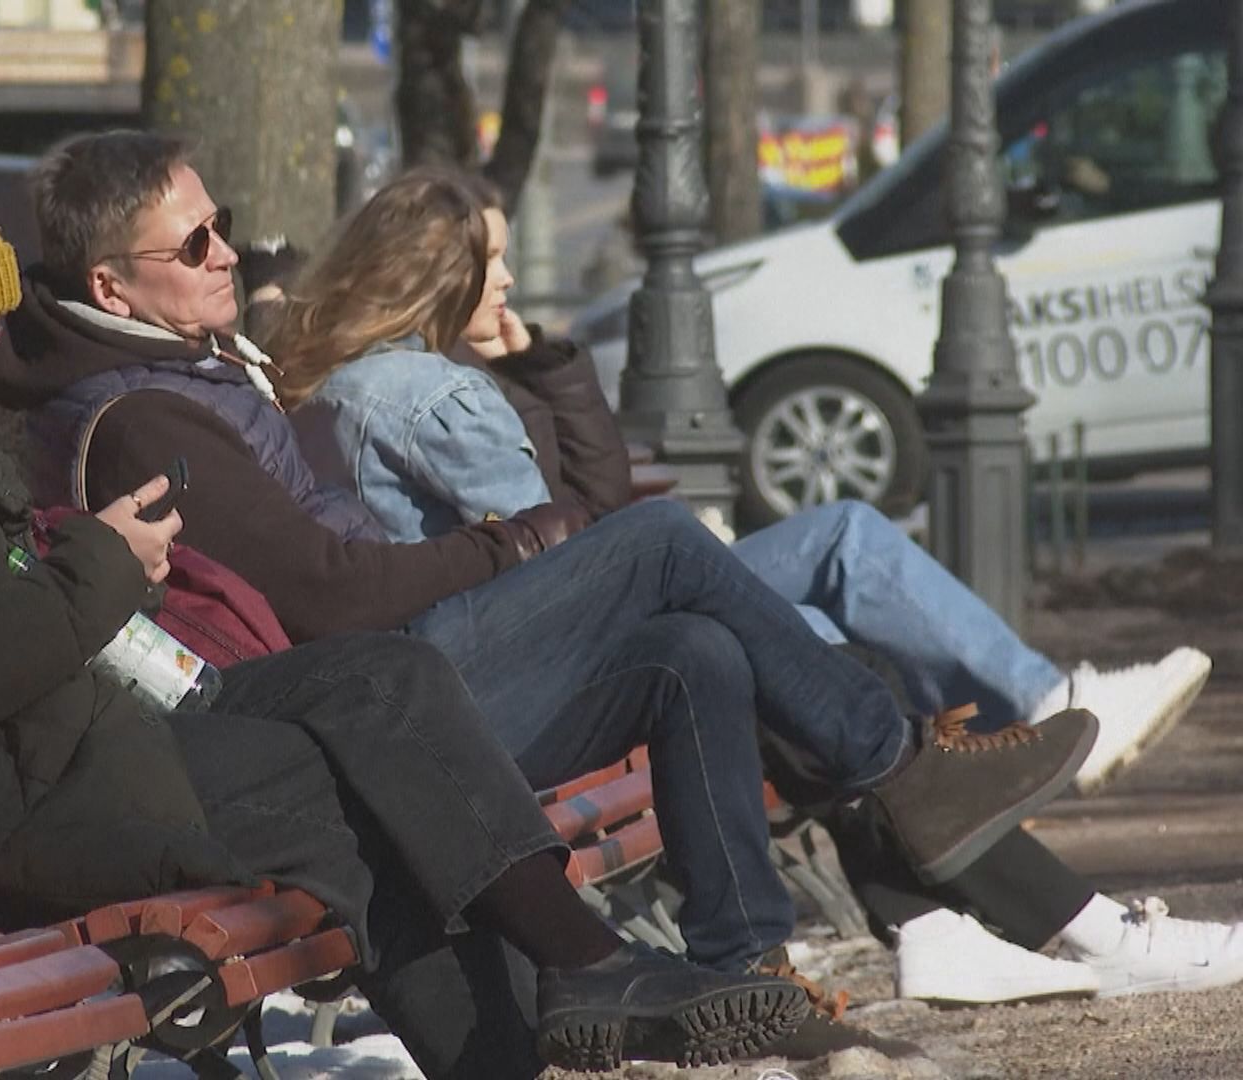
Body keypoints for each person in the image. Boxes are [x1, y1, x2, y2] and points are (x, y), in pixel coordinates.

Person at [0, 130, 1098, 1054]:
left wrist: (520, 489)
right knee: (662, 543)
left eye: (218, 220)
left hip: (393, 672)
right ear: (110, 284)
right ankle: (894, 767)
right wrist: (504, 549)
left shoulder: (197, 366)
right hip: (362, 709)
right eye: (194, 241)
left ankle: (744, 970)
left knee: (689, 651)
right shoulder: (144, 415)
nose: (226, 250)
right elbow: (329, 595)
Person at [0, 147, 815, 1079]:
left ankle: (581, 971)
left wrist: (93, 571)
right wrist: (101, 563)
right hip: (17, 806)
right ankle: (549, 1014)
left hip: (81, 744)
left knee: (382, 682)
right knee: (347, 796)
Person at [269, 165, 1243, 1007]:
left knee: (739, 642)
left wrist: (543, 367)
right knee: (818, 572)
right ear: (439, 274)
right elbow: (571, 546)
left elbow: (578, 523)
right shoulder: (427, 393)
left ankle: (811, 943)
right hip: (471, 686)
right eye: (494, 258)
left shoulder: (350, 382)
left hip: (455, 674)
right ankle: (995, 810)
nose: (514, 278)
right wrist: (533, 408)